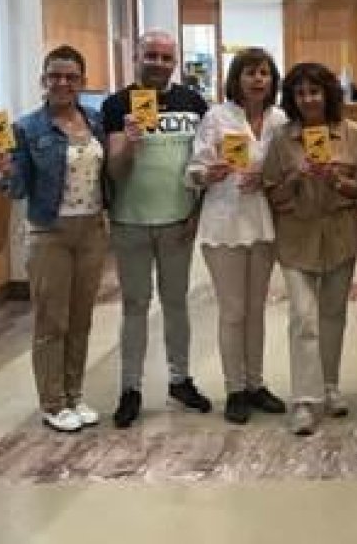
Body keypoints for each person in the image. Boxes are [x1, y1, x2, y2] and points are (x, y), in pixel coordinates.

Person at [0, 45, 108, 432]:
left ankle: (75, 394)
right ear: (43, 80)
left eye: (71, 77)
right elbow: (18, 189)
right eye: (55, 76)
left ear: (82, 82)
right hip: (49, 232)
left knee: (81, 319)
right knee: (51, 320)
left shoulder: (94, 121)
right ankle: (53, 403)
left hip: (92, 230)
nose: (62, 83)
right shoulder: (27, 128)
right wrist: (4, 170)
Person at [101, 30, 212, 428]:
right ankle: (130, 388)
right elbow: (115, 171)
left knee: (177, 303)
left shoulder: (193, 103)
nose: (158, 63)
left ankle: (180, 380)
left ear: (175, 62)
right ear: (137, 57)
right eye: (151, 55)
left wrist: (197, 212)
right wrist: (130, 142)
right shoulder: (117, 105)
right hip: (129, 222)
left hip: (178, 222)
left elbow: (202, 163)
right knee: (135, 305)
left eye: (166, 57)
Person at [263, 62, 357, 435]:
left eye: (315, 91)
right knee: (303, 317)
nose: (308, 99)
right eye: (300, 93)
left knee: (333, 314)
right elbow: (273, 195)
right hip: (296, 236)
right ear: (292, 98)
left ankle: (329, 385)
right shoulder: (281, 139)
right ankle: (305, 400)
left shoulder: (351, 133)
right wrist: (297, 176)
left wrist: (336, 179)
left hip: (341, 234)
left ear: (328, 94)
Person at [186, 47, 287, 424]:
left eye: (264, 73)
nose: (258, 79)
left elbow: (287, 169)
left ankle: (256, 384)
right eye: (250, 73)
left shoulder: (280, 119)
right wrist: (208, 173)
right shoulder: (217, 117)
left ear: (272, 79)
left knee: (256, 309)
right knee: (233, 311)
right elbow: (192, 170)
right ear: (236, 79)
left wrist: (267, 178)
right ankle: (235, 389)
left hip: (263, 224)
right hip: (224, 224)